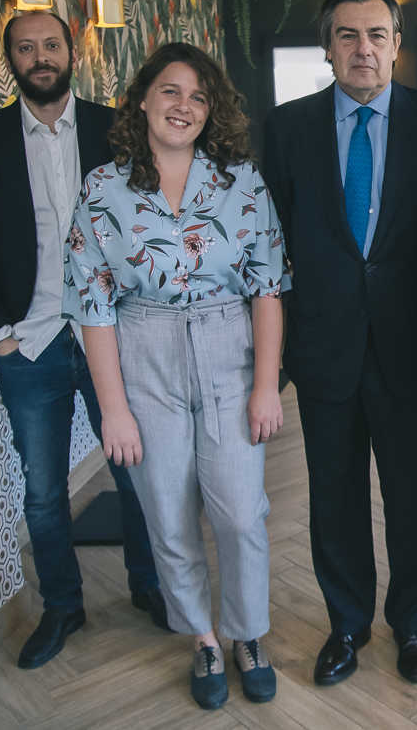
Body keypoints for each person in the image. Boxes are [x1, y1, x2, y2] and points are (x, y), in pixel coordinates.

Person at [63, 42, 286, 710]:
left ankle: (247, 633)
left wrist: (266, 385)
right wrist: (113, 409)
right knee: (165, 510)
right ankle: (203, 638)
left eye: (198, 96)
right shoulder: (102, 188)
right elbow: (93, 304)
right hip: (144, 348)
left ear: (211, 110)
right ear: (142, 100)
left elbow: (268, 289)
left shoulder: (241, 183)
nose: (183, 105)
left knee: (240, 512)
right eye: (170, 91)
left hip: (227, 347)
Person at [0, 11, 166, 670]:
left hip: (112, 337)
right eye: (26, 48)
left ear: (72, 51)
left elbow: (149, 226)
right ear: (10, 59)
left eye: (50, 45)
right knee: (43, 490)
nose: (40, 57)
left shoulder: (116, 128)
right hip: (31, 344)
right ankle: (63, 606)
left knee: (137, 472)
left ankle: (151, 586)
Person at [262, 0, 417, 688]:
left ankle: (412, 623)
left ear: (397, 44)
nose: (363, 48)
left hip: (409, 347)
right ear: (328, 47)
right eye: (347, 35)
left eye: (377, 34)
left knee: (414, 498)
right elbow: (270, 242)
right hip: (324, 345)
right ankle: (346, 624)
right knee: (334, 497)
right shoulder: (287, 128)